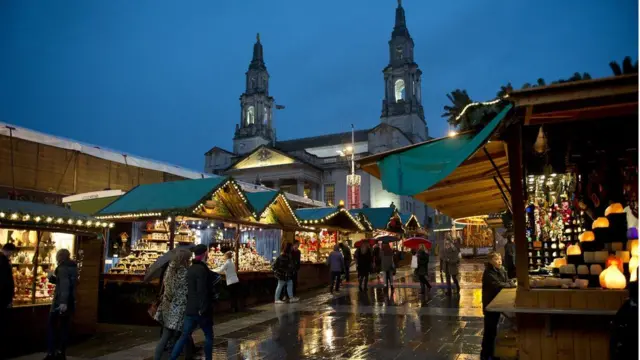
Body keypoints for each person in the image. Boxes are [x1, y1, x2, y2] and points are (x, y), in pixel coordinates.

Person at [169, 244, 219, 360]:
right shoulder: (202, 270)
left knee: (184, 336)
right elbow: (202, 290)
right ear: (204, 254)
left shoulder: (190, 268)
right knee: (208, 336)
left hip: (190, 309)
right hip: (201, 309)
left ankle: (172, 358)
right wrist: (203, 308)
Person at [153, 249, 193, 360]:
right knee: (185, 334)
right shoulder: (184, 272)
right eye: (189, 259)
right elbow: (186, 290)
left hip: (167, 305)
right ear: (184, 259)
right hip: (179, 307)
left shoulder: (169, 270)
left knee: (166, 336)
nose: (190, 260)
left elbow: (167, 287)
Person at [481, 252, 515, 360]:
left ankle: (493, 352)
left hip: (498, 302)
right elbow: (497, 285)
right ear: (490, 261)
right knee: (490, 329)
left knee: (494, 329)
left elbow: (506, 280)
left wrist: (511, 282)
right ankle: (486, 353)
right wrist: (510, 285)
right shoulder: (488, 272)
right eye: (496, 259)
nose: (499, 261)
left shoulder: (502, 269)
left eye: (500, 258)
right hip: (490, 303)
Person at [44, 249, 78, 360]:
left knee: (52, 326)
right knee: (64, 328)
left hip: (60, 303)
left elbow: (64, 285)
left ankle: (51, 353)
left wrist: (63, 303)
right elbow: (66, 283)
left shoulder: (63, 268)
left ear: (60, 257)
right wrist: (51, 278)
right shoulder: (72, 267)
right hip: (70, 301)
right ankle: (61, 353)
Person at [0, 243, 16, 353]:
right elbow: (7, 282)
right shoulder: (4, 262)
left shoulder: (4, 261)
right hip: (3, 298)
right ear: (9, 251)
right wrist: (9, 298)